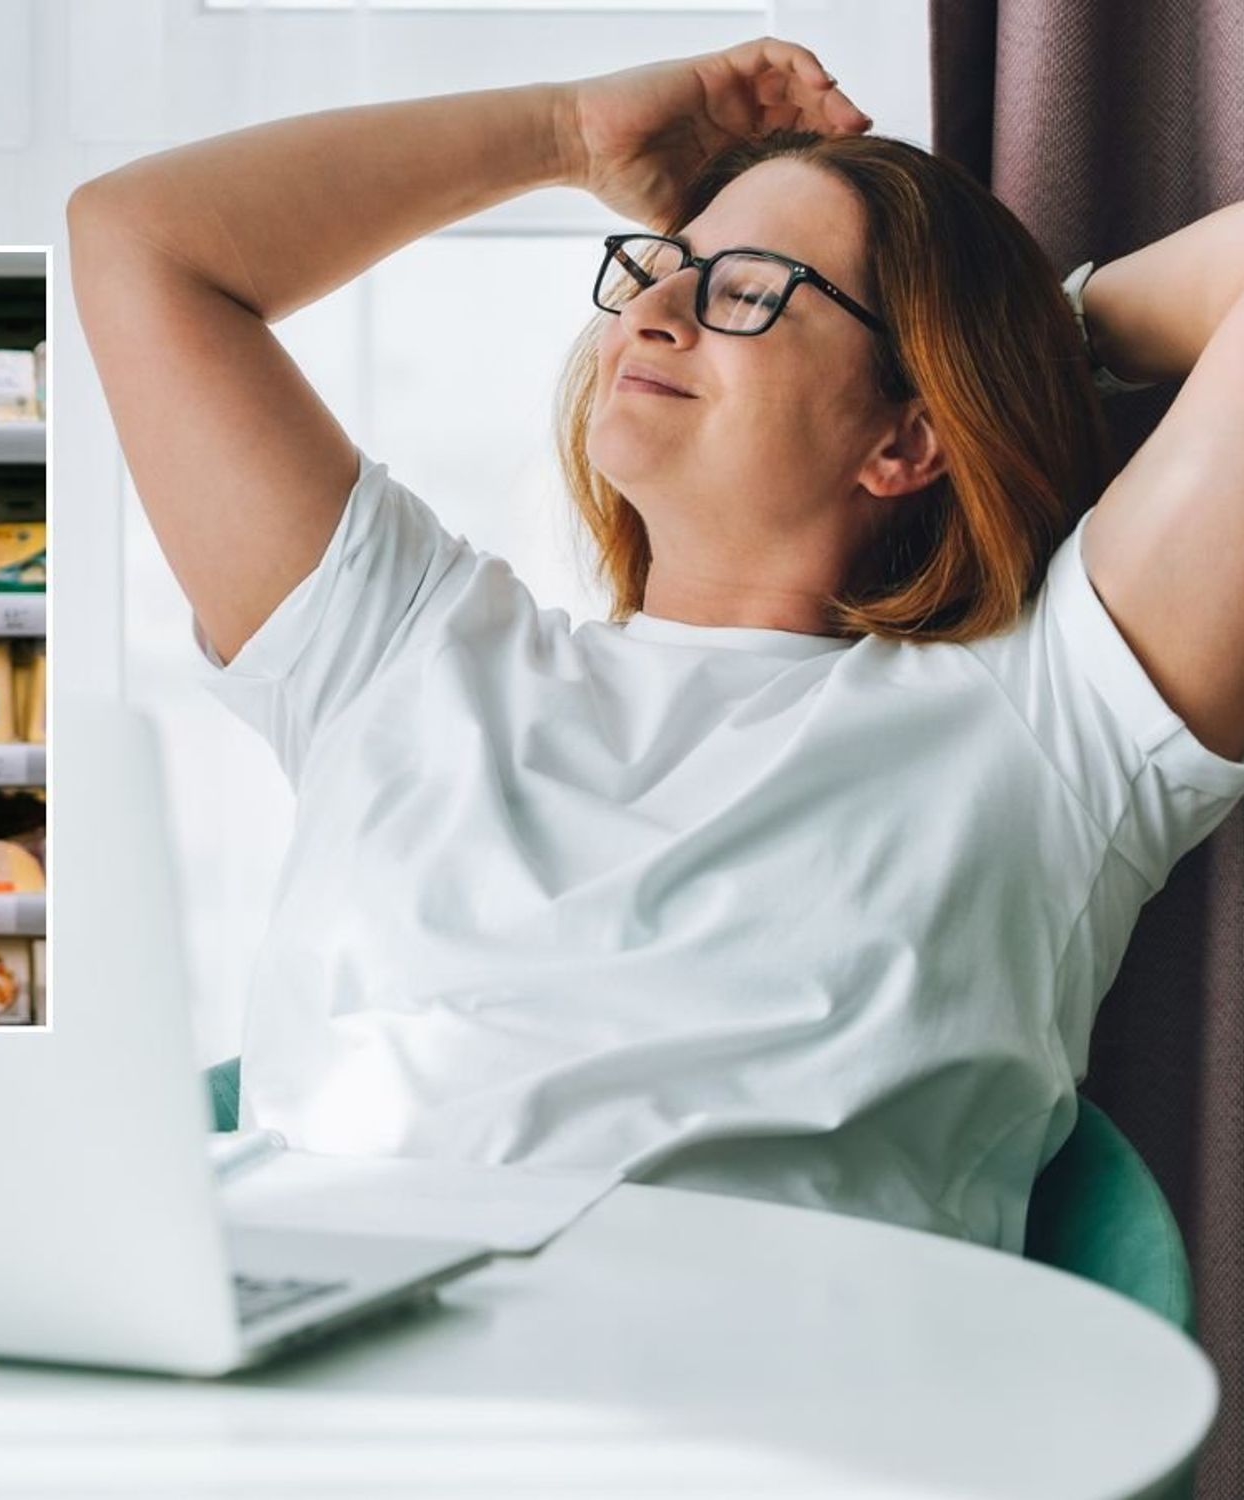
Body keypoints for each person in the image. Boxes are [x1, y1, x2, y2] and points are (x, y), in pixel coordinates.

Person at [67, 38, 1244, 1249]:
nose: (653, 308)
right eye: (656, 268)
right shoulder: (397, 654)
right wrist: (567, 135)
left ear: (900, 440)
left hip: (767, 1410)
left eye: (747, 289)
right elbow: (137, 241)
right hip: (341, 1396)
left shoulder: (1053, 720)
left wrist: (1004, 351)